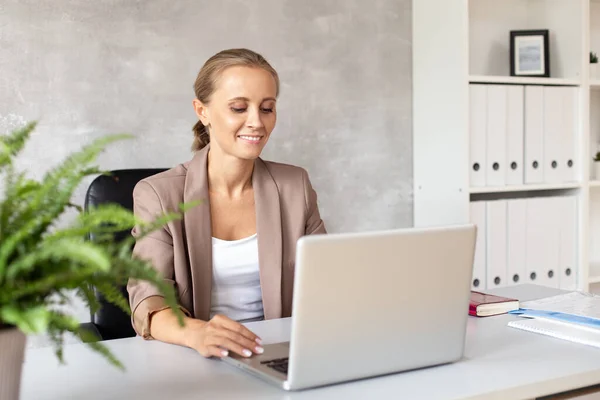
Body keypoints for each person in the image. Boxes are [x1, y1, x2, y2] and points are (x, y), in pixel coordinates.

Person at [127, 48, 326, 360]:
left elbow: (326, 282)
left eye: (267, 108)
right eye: (238, 108)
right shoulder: (158, 194)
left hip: (279, 355)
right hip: (196, 357)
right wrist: (197, 332)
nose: (256, 122)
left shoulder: (294, 186)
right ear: (202, 110)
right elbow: (149, 300)